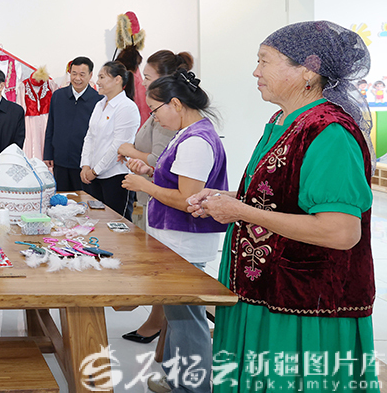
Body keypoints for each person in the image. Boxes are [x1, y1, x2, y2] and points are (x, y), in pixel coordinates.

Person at [188, 21, 377, 393]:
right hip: (263, 291)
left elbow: (340, 231)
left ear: (308, 70)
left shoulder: (329, 131)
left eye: (265, 61)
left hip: (304, 304)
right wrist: (230, 200)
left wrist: (242, 212)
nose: (255, 72)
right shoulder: (283, 121)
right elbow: (281, 197)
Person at [121, 68, 228, 393]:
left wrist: (145, 185)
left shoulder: (196, 141)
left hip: (185, 241)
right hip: (176, 240)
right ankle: (175, 378)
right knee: (178, 316)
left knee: (187, 321)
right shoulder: (188, 133)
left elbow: (187, 199)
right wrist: (151, 171)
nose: (154, 117)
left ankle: (192, 387)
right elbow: (179, 180)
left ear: (177, 104)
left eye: (156, 110)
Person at [116, 50, 193, 345]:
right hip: (151, 192)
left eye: (147, 77)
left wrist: (129, 151)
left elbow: (160, 158)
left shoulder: (172, 122)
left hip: (162, 199)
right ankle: (157, 322)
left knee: (165, 272)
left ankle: (157, 323)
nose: (142, 82)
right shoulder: (160, 114)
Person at [79, 61, 140, 219]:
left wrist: (95, 171)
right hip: (94, 176)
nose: (98, 81)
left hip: (116, 177)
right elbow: (89, 137)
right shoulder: (99, 105)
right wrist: (85, 165)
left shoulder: (126, 107)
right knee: (96, 221)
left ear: (117, 79)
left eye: (102, 77)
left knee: (117, 223)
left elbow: (118, 147)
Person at [43, 57, 101, 191]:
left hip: (84, 165)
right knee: (61, 198)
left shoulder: (98, 100)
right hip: (60, 160)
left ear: (90, 75)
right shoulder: (58, 96)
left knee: (83, 199)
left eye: (82, 74)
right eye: (74, 73)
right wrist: (48, 153)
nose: (77, 78)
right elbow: (51, 126)